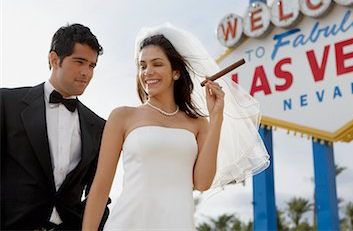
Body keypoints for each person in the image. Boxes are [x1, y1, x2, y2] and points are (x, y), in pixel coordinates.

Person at [82, 23, 269, 230]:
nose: (148, 72)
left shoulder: (198, 123)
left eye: (157, 64)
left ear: (176, 73)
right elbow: (100, 187)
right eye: (143, 66)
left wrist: (216, 119)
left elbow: (203, 182)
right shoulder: (123, 117)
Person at [1, 23, 109, 230]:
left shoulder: (99, 126)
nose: (86, 72)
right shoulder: (7, 103)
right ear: (54, 59)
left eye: (92, 66)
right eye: (80, 62)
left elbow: (99, 192)